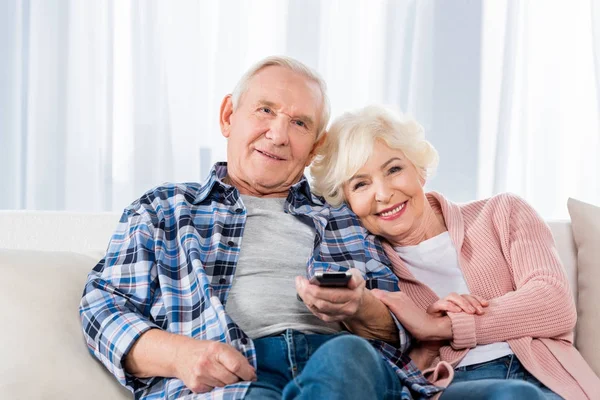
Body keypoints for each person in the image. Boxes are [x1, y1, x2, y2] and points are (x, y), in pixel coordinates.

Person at [79, 57, 444, 399]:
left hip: (340, 369)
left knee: (349, 355)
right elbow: (102, 308)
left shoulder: (345, 217)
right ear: (228, 116)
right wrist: (180, 355)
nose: (278, 134)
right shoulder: (164, 209)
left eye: (300, 123)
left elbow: (396, 331)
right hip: (235, 377)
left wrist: (360, 306)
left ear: (315, 147)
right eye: (265, 110)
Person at [310, 105, 600, 399]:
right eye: (361, 184)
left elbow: (554, 303)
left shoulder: (502, 212)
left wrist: (442, 326)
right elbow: (395, 377)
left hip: (553, 381)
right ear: (345, 201)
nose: (383, 194)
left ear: (419, 170)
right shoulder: (372, 271)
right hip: (457, 387)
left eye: (394, 169)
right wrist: (429, 344)